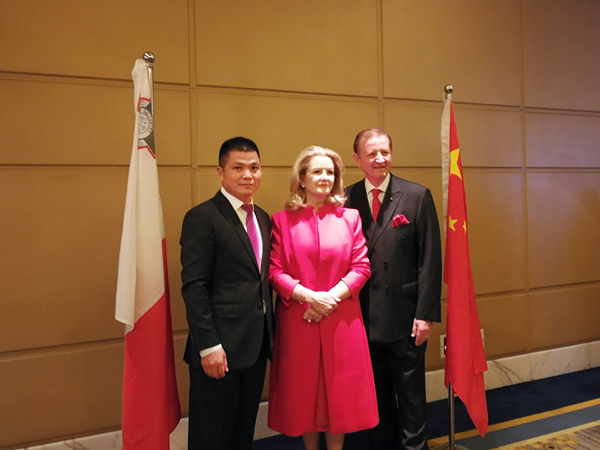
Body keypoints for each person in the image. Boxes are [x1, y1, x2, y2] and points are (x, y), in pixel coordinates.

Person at [268, 146, 379, 450]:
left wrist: (328, 298)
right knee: (305, 395)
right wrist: (308, 297)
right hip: (299, 320)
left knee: (339, 397)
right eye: (317, 171)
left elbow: (361, 267)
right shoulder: (281, 221)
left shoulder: (350, 218)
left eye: (330, 172)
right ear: (302, 178)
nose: (325, 177)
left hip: (341, 319)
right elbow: (275, 272)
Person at [345, 128, 442, 450]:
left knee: (412, 398)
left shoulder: (416, 196)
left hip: (406, 317)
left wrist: (425, 314)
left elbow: (430, 259)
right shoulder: (344, 199)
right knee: (376, 398)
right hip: (363, 318)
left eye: (385, 152)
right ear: (357, 159)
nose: (379, 159)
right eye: (371, 153)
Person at [180, 137, 273, 450]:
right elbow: (194, 287)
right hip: (218, 350)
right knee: (212, 438)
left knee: (241, 436)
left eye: (254, 168)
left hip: (255, 347)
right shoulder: (202, 217)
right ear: (221, 172)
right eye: (238, 168)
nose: (248, 175)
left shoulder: (263, 218)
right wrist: (208, 346)